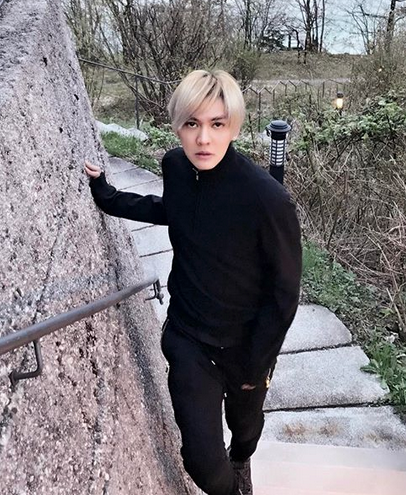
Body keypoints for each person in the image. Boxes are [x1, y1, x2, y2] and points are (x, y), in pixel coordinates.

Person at [84, 70, 302, 495]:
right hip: (189, 339)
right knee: (202, 460)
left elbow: (284, 295)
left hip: (245, 348)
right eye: (192, 124)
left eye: (217, 124)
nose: (203, 138)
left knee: (245, 428)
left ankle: (242, 460)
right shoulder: (175, 167)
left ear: (234, 127)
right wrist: (108, 196)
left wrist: (256, 364)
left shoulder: (267, 199)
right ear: (177, 127)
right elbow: (175, 209)